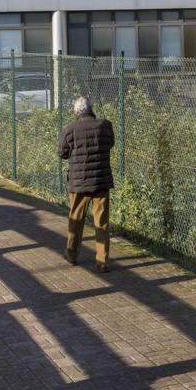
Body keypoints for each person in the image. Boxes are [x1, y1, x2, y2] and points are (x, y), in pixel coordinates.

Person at [58, 96, 115, 273]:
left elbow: (62, 153)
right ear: (91, 109)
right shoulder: (106, 125)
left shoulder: (70, 129)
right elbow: (110, 144)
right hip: (101, 181)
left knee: (76, 219)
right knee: (102, 222)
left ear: (76, 112)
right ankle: (102, 261)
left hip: (79, 183)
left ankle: (72, 255)